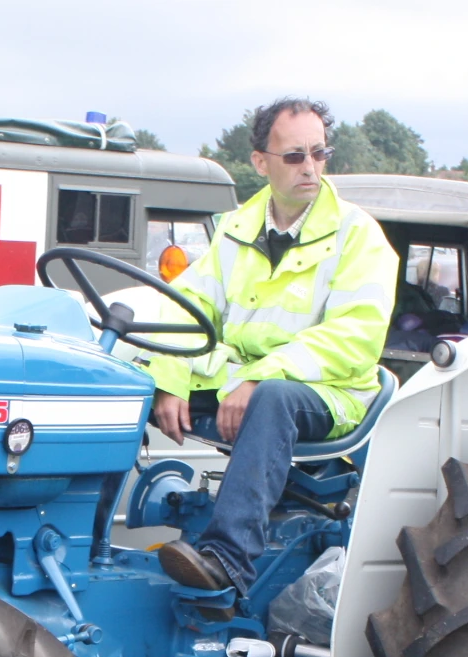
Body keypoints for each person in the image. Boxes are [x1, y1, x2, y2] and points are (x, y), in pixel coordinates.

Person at [145, 97, 398, 597]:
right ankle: (85, 538)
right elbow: (188, 306)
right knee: (129, 379)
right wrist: (168, 381)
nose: (311, 168)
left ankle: (228, 561)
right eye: (296, 156)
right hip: (244, 382)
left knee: (273, 399)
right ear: (261, 162)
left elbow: (356, 336)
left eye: (320, 155)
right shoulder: (237, 230)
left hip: (330, 394)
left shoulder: (357, 236)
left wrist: (263, 376)